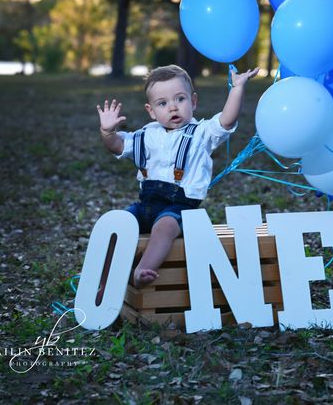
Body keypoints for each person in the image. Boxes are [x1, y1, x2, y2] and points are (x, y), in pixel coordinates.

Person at [97, 63, 259, 289]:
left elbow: (226, 121)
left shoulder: (200, 134)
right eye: (163, 103)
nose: (173, 108)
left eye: (180, 99)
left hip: (179, 208)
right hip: (146, 205)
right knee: (118, 224)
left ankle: (142, 270)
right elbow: (116, 146)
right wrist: (107, 131)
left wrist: (237, 88)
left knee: (165, 227)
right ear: (151, 111)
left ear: (193, 102)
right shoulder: (145, 135)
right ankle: (103, 284)